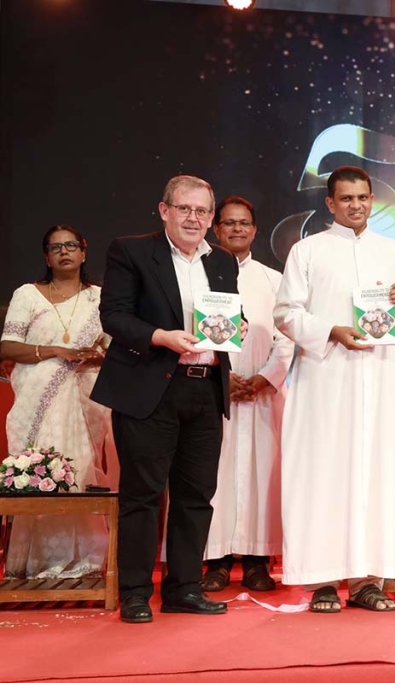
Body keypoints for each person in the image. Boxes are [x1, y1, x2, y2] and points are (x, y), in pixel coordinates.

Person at [274, 166, 395, 614]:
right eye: (346, 198)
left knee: (374, 476)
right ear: (330, 203)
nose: (355, 205)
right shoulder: (307, 251)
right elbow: (285, 312)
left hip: (378, 379)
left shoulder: (392, 252)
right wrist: (331, 331)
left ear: (372, 199)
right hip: (325, 380)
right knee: (322, 474)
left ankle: (367, 581)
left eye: (362, 197)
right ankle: (322, 580)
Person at [92, 175, 240, 623]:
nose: (194, 218)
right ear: (164, 210)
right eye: (184, 209)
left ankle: (184, 588)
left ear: (211, 217)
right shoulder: (132, 251)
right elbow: (113, 315)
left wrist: (239, 326)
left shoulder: (222, 261)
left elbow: (227, 314)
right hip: (150, 387)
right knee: (143, 495)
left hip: (205, 388)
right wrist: (161, 336)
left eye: (202, 211)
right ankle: (136, 592)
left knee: (197, 495)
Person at [1, 225, 114, 579]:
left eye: (70, 245)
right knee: (43, 473)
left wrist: (96, 357)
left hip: (85, 400)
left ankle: (86, 561)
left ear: (83, 252)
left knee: (79, 470)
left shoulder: (100, 298)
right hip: (38, 399)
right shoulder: (27, 294)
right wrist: (55, 351)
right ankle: (41, 562)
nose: (64, 252)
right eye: (55, 247)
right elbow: (8, 346)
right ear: (47, 257)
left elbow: (113, 347)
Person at [201, 197, 293, 593]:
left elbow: (287, 337)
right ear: (216, 229)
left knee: (262, 476)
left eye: (244, 223)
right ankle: (216, 562)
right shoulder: (198, 274)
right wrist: (222, 377)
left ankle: (258, 562)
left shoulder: (273, 280)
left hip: (261, 397)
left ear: (254, 230)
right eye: (229, 223)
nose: (237, 229)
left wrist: (263, 379)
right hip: (210, 392)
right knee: (213, 477)